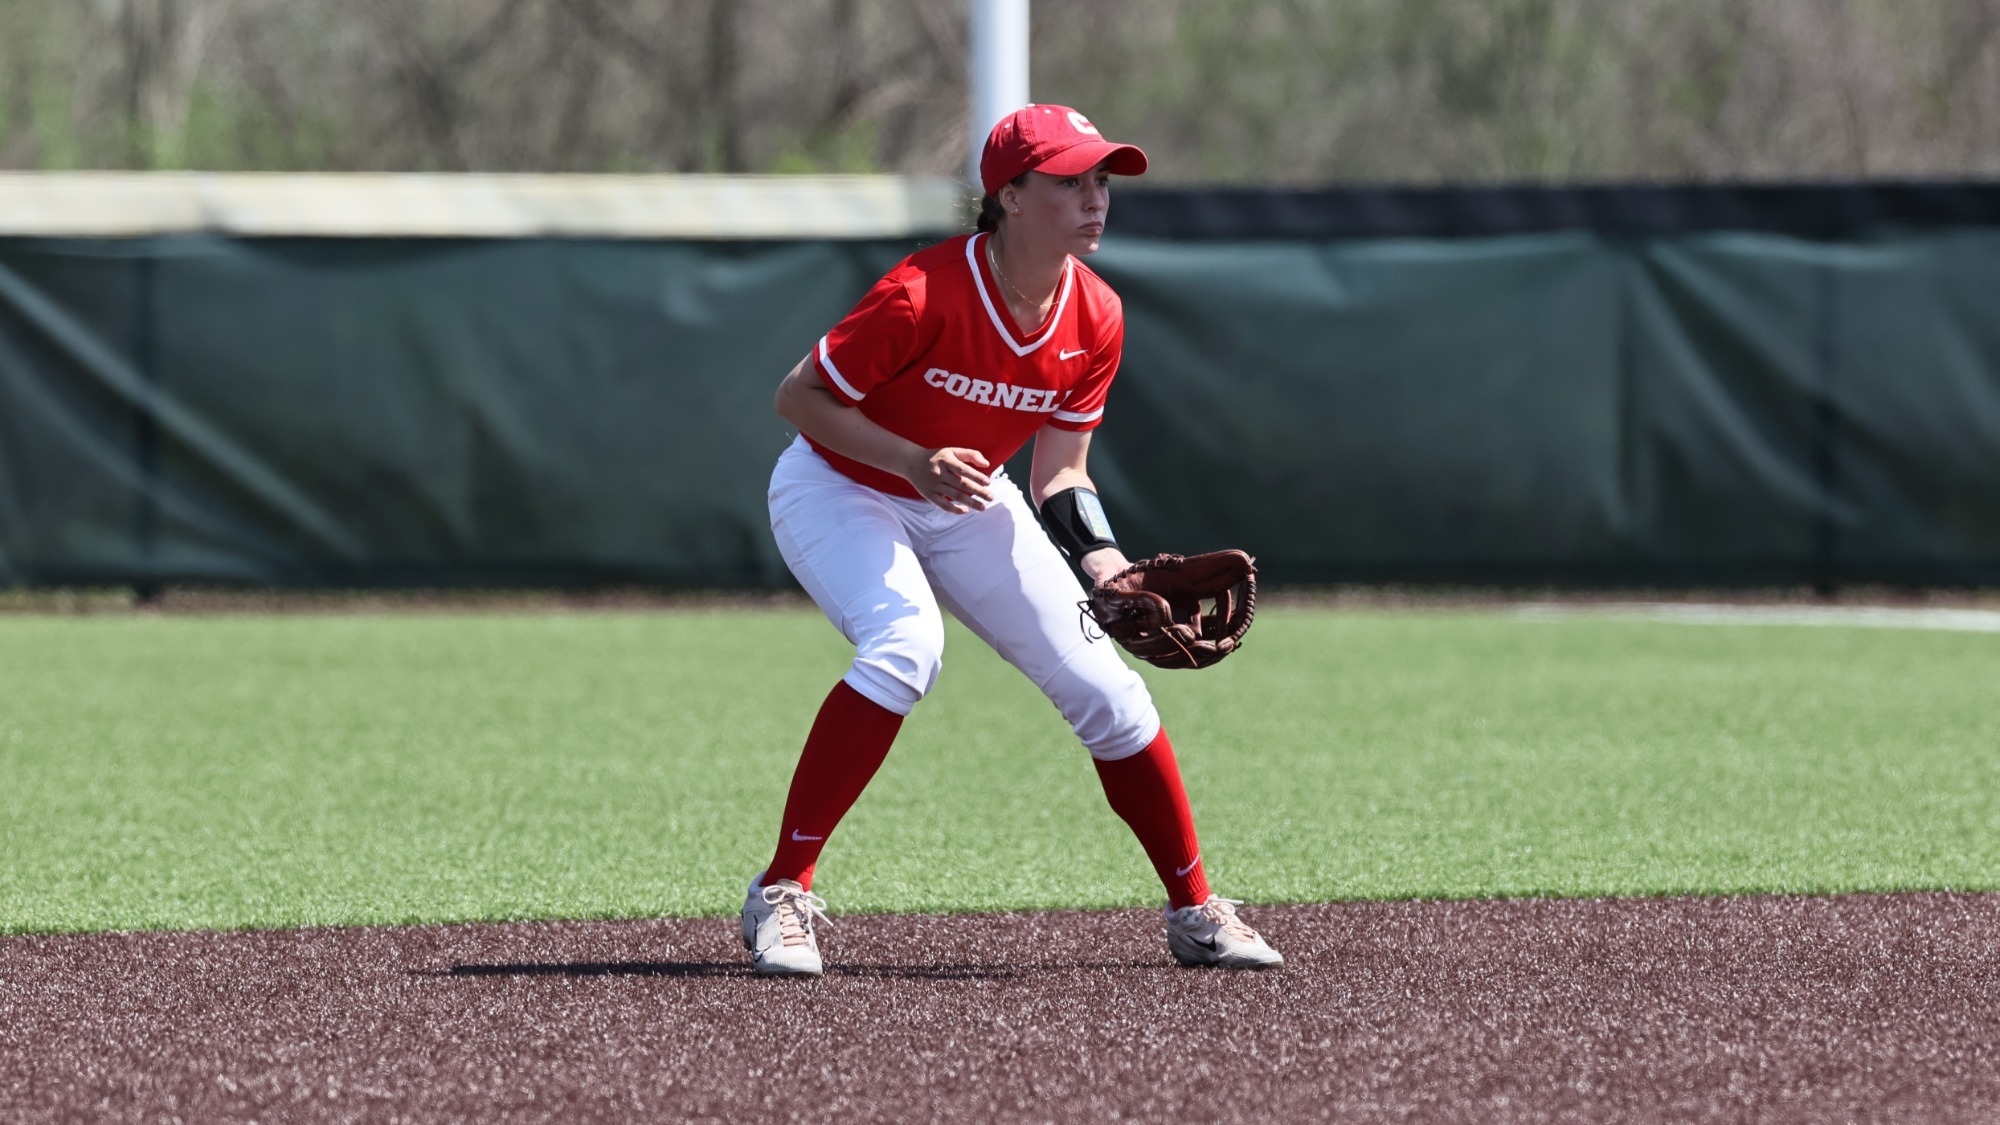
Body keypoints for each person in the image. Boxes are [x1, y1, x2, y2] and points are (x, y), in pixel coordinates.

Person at [743, 104, 1282, 976]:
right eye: (1071, 181)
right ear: (1010, 195)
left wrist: (1105, 563)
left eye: (1102, 180)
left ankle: (1194, 909)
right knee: (906, 646)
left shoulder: (1095, 315)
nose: (1096, 198)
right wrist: (913, 461)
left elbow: (1060, 474)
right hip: (840, 486)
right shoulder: (922, 290)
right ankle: (781, 890)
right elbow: (799, 398)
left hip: (972, 500)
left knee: (1111, 694)